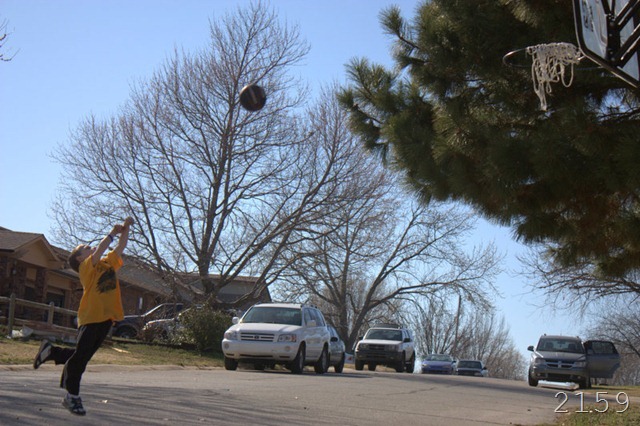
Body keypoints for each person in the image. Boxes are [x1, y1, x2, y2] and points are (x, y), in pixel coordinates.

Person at [33, 217, 134, 415]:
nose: (90, 247)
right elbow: (99, 250)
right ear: (80, 258)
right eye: (85, 248)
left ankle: (51, 351)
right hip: (91, 317)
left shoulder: (107, 264)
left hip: (106, 319)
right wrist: (112, 233)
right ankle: (72, 397)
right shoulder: (86, 268)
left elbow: (120, 247)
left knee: (83, 356)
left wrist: (126, 229)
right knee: (80, 358)